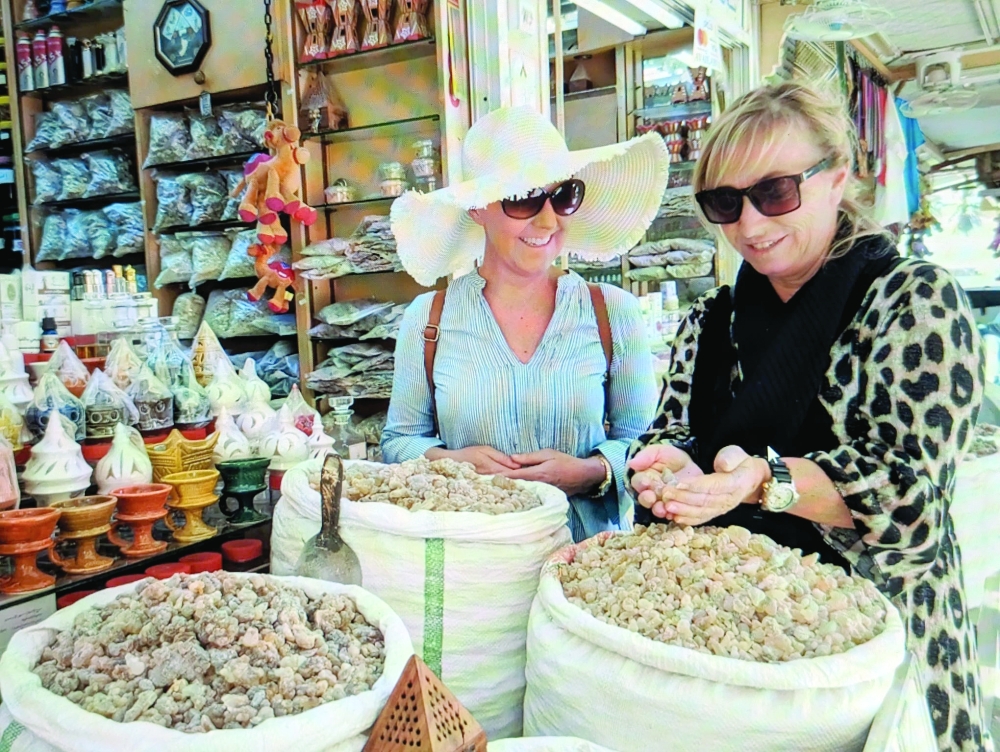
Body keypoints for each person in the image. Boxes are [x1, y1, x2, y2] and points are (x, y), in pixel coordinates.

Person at [628, 81, 988, 752]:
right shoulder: (712, 321)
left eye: (775, 193)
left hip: (879, 655)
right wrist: (665, 468)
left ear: (836, 179)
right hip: (739, 653)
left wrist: (766, 479)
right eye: (725, 203)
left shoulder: (914, 301)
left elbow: (912, 497)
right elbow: (670, 432)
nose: (751, 226)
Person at [383, 106, 666, 541]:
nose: (548, 220)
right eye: (524, 198)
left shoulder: (612, 313)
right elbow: (399, 442)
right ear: (476, 208)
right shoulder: (428, 319)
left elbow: (648, 446)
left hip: (588, 563)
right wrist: (449, 461)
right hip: (473, 559)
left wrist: (591, 472)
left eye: (564, 195)